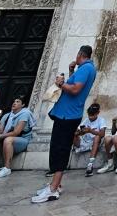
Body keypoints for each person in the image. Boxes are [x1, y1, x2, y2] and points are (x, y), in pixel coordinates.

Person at [32, 45, 96, 204]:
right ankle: (56, 184)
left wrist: (61, 83)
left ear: (80, 54)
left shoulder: (86, 68)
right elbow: (75, 86)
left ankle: (53, 189)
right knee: (58, 148)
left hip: (68, 115)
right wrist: (71, 72)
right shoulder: (84, 69)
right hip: (67, 114)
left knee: (60, 150)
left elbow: (75, 90)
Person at [75, 103, 107, 176]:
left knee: (97, 137)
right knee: (74, 134)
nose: (90, 117)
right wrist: (80, 132)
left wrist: (91, 131)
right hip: (86, 141)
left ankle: (90, 164)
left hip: (96, 142)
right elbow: (79, 131)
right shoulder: (86, 120)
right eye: (89, 115)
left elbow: (102, 134)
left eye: (92, 115)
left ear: (98, 113)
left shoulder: (101, 120)